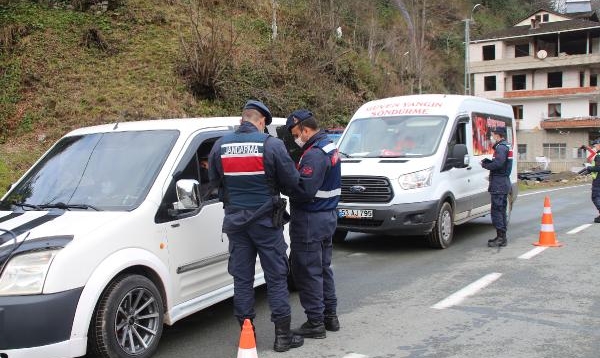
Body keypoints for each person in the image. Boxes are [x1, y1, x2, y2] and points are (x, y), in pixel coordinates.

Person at [207, 100, 304, 352]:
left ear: (243, 119)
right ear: (261, 122)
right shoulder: (271, 145)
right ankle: (282, 337)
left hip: (236, 224)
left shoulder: (220, 145)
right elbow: (292, 183)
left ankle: (246, 334)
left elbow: (215, 182)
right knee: (276, 277)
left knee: (242, 278)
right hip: (266, 224)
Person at [285, 109, 341, 339]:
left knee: (308, 272)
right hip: (327, 217)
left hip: (310, 219)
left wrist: (285, 184)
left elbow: (304, 191)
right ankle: (330, 317)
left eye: (296, 133)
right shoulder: (329, 146)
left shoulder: (313, 155)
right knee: (323, 269)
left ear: (306, 130)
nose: (296, 138)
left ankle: (315, 322)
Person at [480, 126, 513, 247]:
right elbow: (500, 163)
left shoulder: (501, 148)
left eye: (493, 135)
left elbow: (499, 164)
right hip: (502, 182)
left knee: (497, 211)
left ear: (498, 135)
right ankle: (501, 236)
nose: (491, 137)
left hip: (499, 183)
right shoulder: (505, 146)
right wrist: (489, 162)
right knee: (501, 210)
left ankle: (501, 238)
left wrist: (485, 165)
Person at [581, 138, 600, 223]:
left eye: (595, 145)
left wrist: (589, 168)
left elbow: (598, 167)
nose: (595, 147)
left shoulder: (599, 155)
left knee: (595, 197)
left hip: (598, 180)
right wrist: (588, 170)